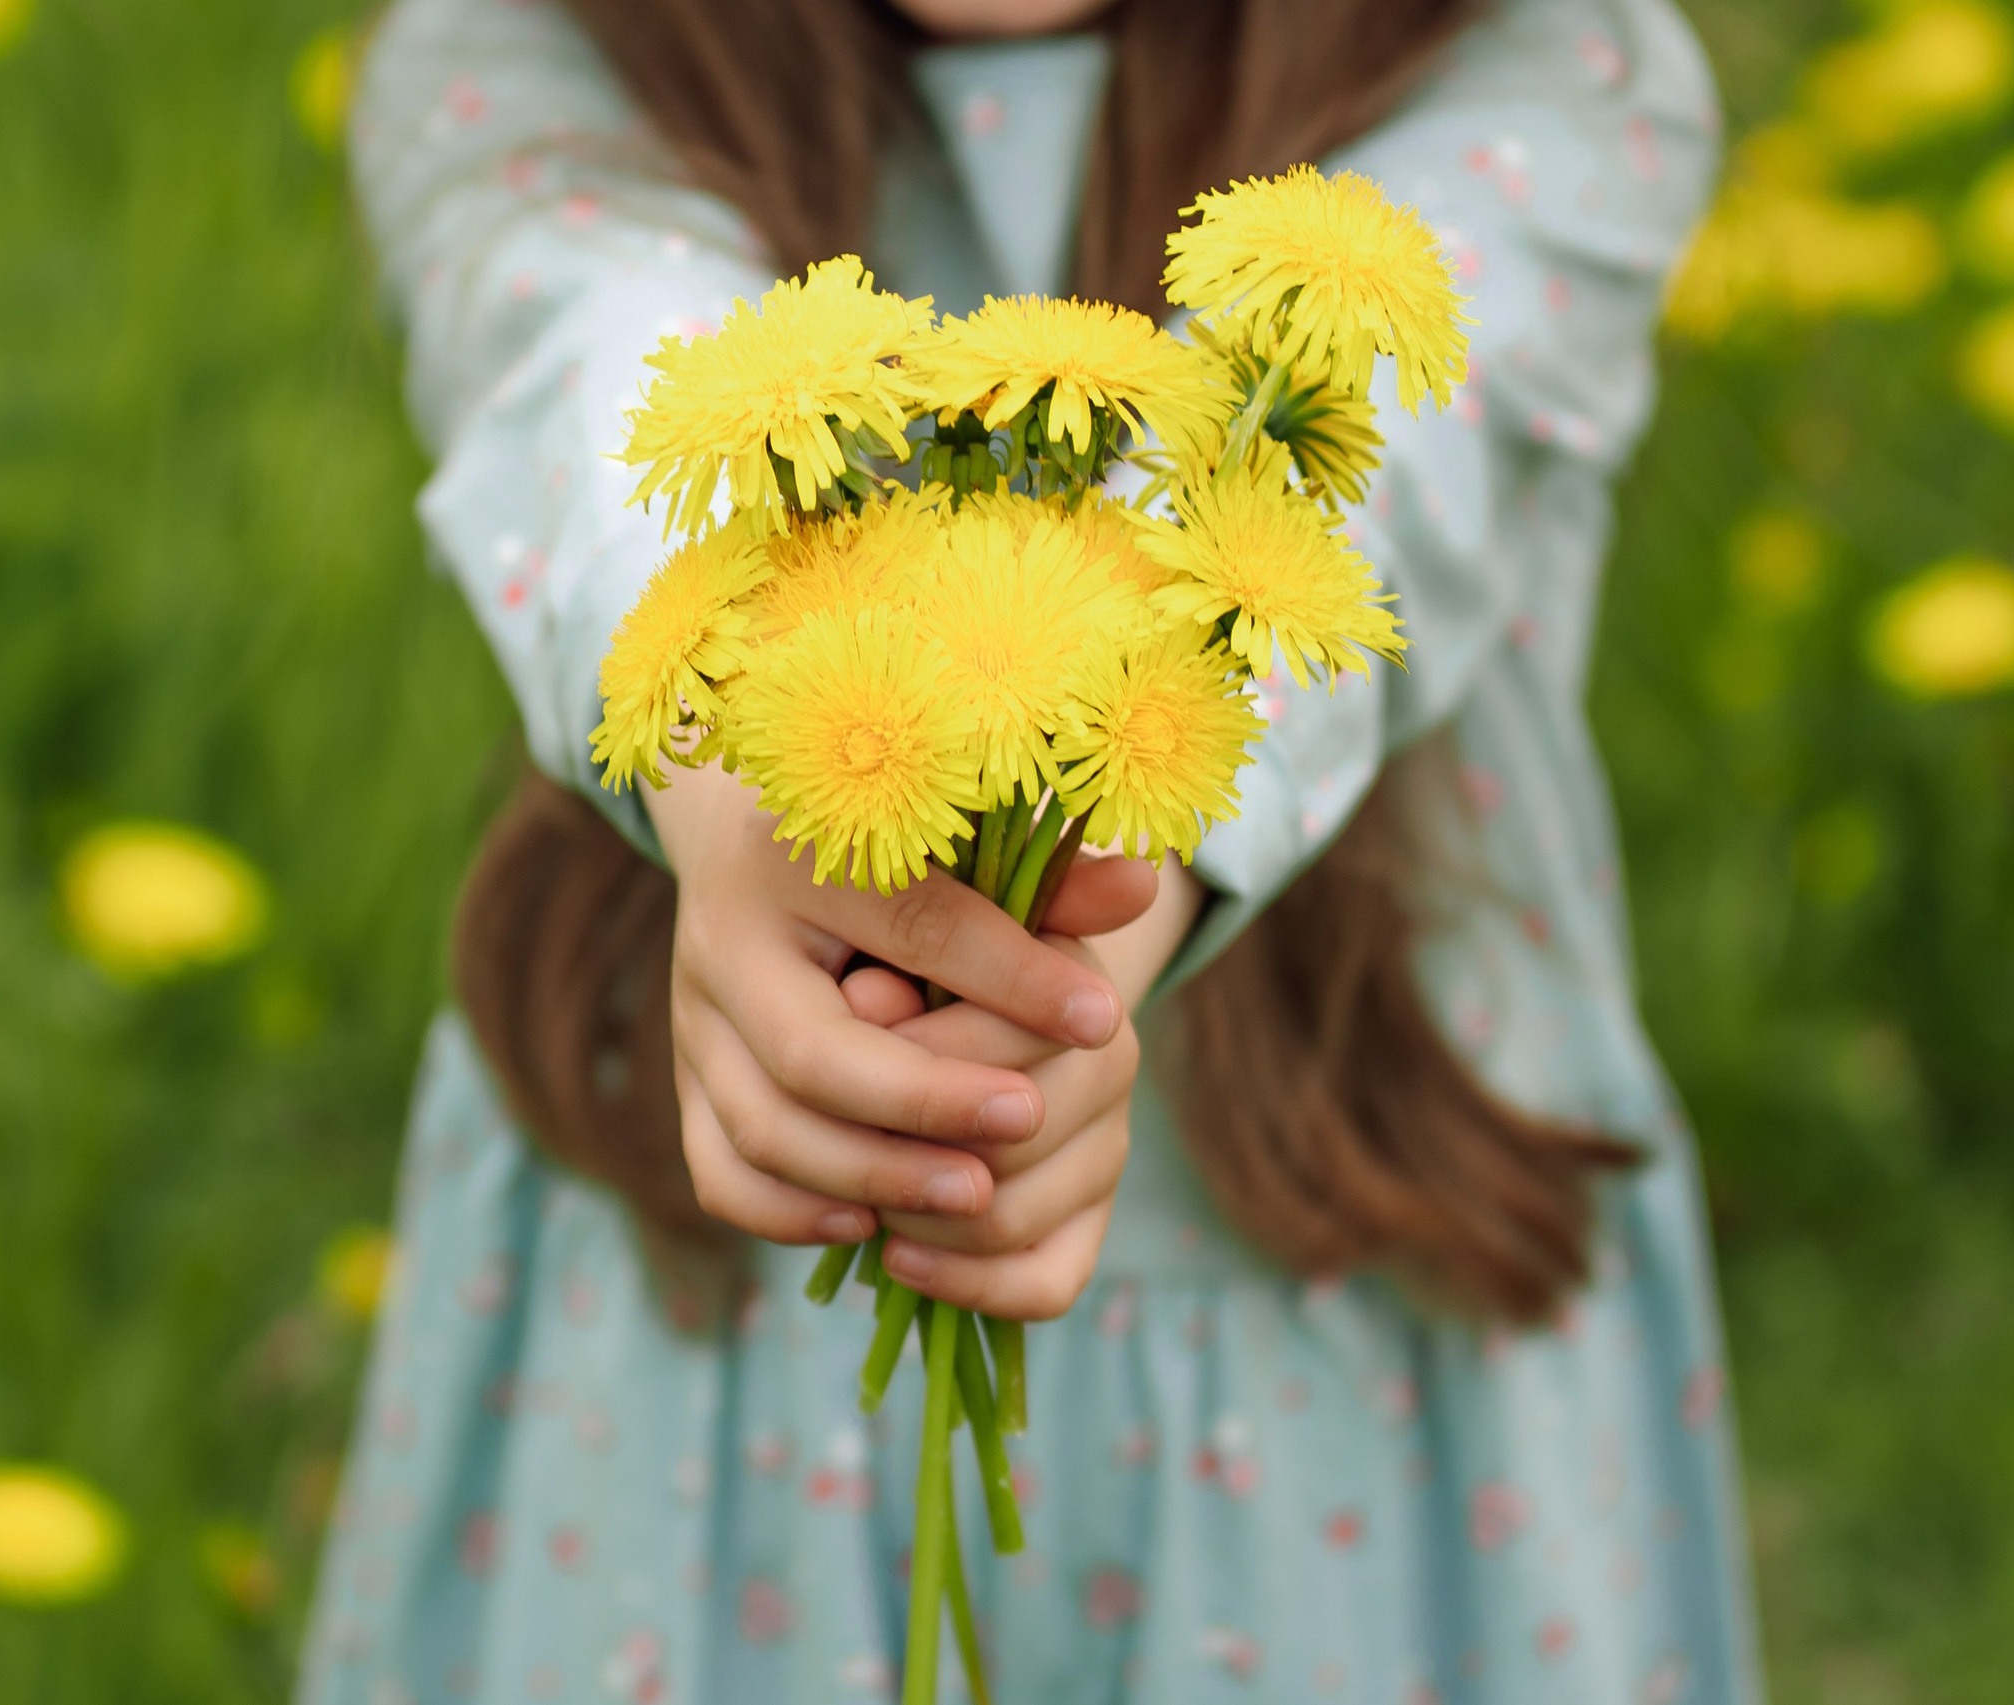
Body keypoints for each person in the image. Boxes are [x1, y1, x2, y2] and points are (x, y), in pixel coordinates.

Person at [305, 0, 1762, 1699]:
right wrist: (740, 776)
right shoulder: (521, 53)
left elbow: (1360, 493)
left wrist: (1081, 895)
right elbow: (609, 372)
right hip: (693, 1337)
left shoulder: (1559, 70)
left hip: (1368, 1327)